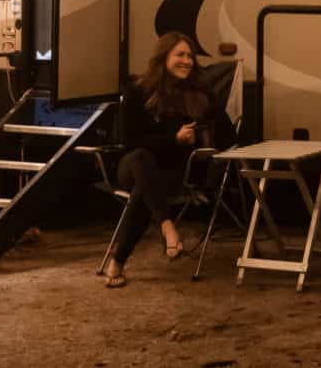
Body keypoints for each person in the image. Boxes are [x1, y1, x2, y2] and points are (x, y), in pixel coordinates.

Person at [98, 31, 234, 286]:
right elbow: (130, 142)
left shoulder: (198, 93)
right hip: (132, 166)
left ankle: (119, 262)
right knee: (141, 160)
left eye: (190, 56)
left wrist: (204, 138)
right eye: (179, 55)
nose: (187, 61)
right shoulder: (138, 91)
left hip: (171, 173)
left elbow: (228, 135)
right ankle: (168, 226)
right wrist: (174, 138)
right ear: (163, 58)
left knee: (146, 190)